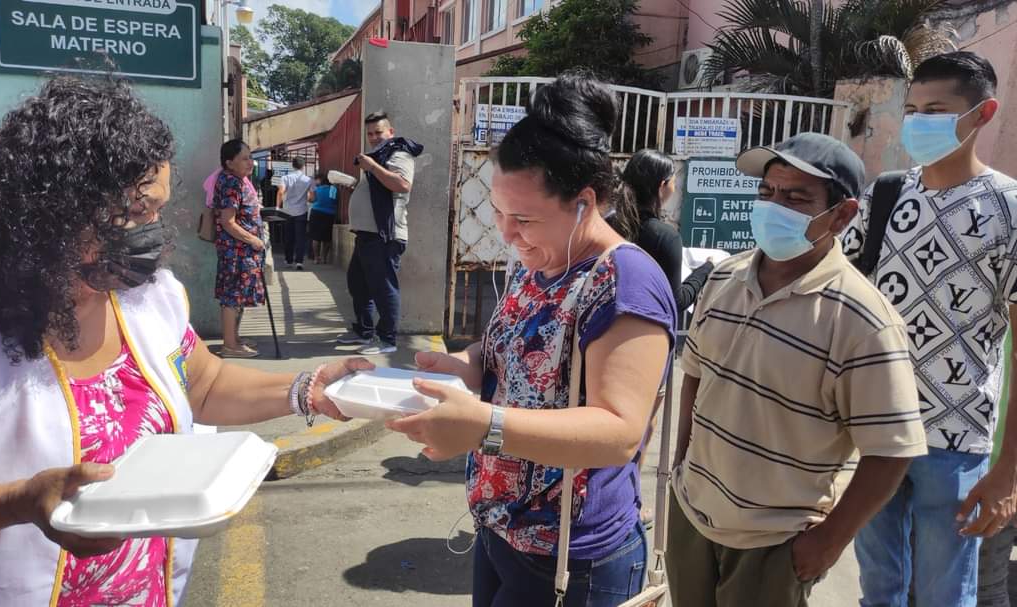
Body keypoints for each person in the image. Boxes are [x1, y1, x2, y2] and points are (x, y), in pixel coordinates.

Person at [0, 75, 367, 607]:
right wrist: (17, 502)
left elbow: (204, 384)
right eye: (138, 213)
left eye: (159, 210)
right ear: (54, 212)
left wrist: (305, 389)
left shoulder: (147, 294)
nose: (154, 232)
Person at [385, 73, 676, 607]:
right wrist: (465, 364)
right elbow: (513, 351)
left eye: (523, 218)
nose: (506, 233)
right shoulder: (538, 262)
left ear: (584, 203)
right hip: (502, 528)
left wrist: (484, 426)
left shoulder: (625, 280)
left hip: (573, 555)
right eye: (498, 212)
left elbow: (619, 431)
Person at [670, 132, 928, 607]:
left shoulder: (864, 320)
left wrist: (828, 542)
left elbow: (892, 450)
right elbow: (695, 375)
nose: (774, 207)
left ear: (842, 215)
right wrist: (679, 469)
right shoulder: (724, 279)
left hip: (775, 544)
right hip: (693, 518)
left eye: (795, 198)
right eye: (767, 192)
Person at [841, 51, 1017, 607]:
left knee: (945, 595)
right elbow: (839, 295)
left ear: (983, 114)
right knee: (879, 589)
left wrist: (1008, 473)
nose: (918, 123)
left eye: (936, 111)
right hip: (878, 428)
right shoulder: (885, 195)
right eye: (913, 110)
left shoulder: (1009, 210)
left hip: (956, 440)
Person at [335, 111, 423, 356]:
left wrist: (372, 167)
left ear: (390, 132)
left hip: (384, 236)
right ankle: (364, 331)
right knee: (358, 285)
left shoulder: (399, 153)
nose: (373, 137)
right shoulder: (381, 156)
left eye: (378, 132)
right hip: (367, 235)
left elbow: (402, 185)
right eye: (370, 134)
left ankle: (386, 339)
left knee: (384, 289)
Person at [612, 149, 715, 311]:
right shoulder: (665, 238)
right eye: (674, 182)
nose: (675, 186)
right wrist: (707, 268)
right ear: (662, 186)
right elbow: (675, 302)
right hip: (644, 324)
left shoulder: (607, 225)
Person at [214, 139, 266, 359]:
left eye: (250, 157)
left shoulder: (236, 181)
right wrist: (252, 240)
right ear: (229, 162)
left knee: (237, 297)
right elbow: (228, 221)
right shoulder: (231, 183)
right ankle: (229, 345)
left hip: (241, 251)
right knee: (232, 297)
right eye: (244, 158)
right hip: (236, 252)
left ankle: (234, 339)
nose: (250, 162)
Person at [278, 157, 314, 270]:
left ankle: (288, 260)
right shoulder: (308, 180)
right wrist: (307, 199)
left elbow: (280, 192)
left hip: (287, 211)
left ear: (292, 165)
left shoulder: (285, 178)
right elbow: (312, 197)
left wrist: (278, 206)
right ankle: (299, 262)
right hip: (301, 211)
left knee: (288, 237)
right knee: (300, 237)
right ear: (303, 166)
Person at [308, 173, 338, 264]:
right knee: (327, 237)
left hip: (316, 212)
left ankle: (316, 258)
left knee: (316, 237)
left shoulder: (317, 189)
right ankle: (324, 258)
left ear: (321, 181)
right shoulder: (333, 189)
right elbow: (334, 201)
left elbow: (311, 200)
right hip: (329, 214)